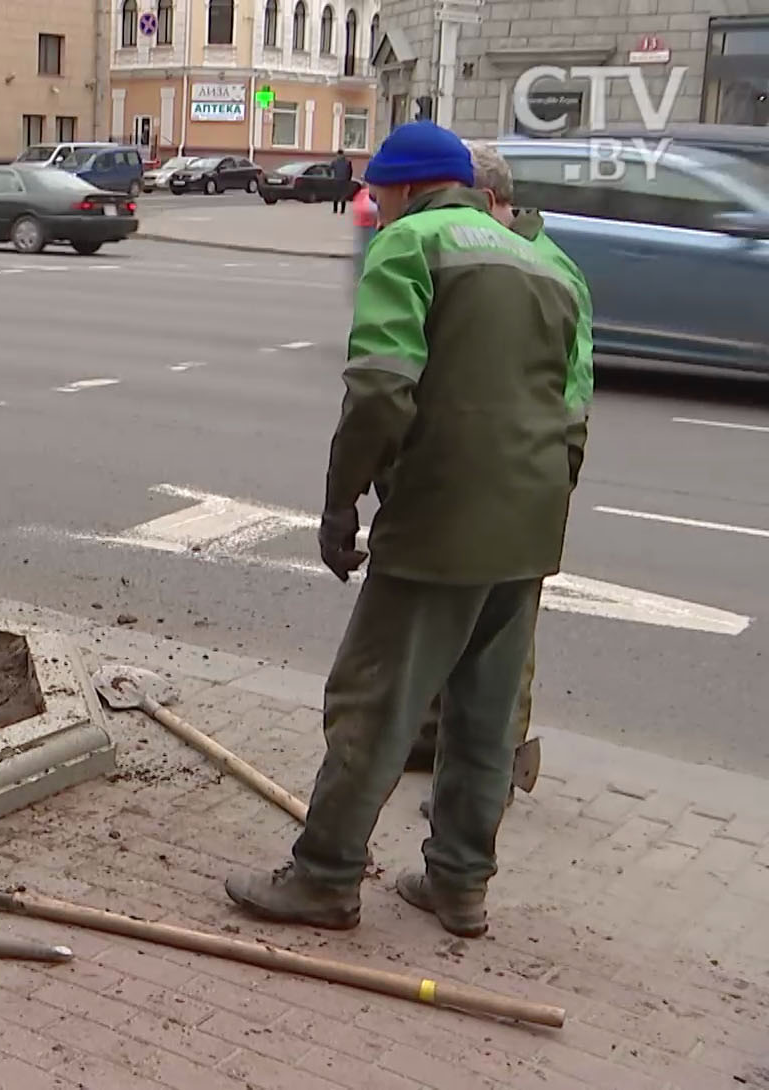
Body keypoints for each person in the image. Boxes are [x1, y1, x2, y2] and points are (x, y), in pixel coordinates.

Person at [225, 121, 583, 940]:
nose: (372, 207)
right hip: (528, 527)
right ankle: (460, 887)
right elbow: (571, 413)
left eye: (376, 193)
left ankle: (323, 878)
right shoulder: (542, 263)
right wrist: (540, 503)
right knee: (484, 717)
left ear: (405, 188)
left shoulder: (410, 245)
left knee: (373, 701)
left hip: (440, 523)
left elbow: (382, 389)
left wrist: (341, 501)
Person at [406, 140, 596, 800]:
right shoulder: (503, 255)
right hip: (503, 471)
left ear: (486, 202)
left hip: (520, 472)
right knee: (460, 621)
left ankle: (496, 767)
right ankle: (437, 744)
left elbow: (570, 390)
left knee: (501, 643)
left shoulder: (543, 269)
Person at [330, 149, 355, 213]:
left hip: (337, 180)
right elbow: (350, 171)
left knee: (336, 195)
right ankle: (342, 210)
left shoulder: (334, 161)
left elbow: (331, 169)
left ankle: (335, 210)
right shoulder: (347, 162)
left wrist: (333, 177)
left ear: (338, 154)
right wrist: (348, 179)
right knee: (343, 195)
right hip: (344, 180)